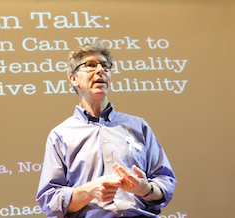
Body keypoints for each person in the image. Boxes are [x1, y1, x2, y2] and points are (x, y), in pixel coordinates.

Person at [36, 42, 177, 218]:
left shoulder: (138, 126)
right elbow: (50, 201)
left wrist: (145, 189)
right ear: (74, 79)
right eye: (90, 65)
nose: (100, 70)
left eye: (105, 66)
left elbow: (165, 182)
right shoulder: (60, 135)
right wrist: (88, 191)